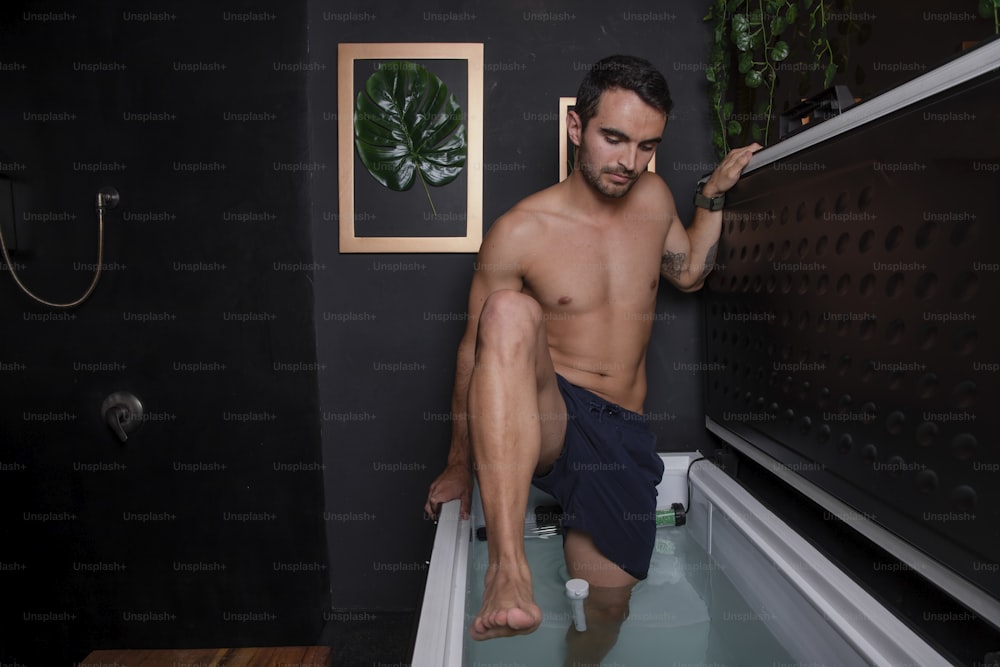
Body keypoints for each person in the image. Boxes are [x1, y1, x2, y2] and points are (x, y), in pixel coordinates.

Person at [423, 54, 759, 661]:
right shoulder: (520, 230)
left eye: (646, 145)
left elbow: (687, 276)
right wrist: (456, 462)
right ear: (577, 128)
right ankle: (507, 568)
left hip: (620, 431)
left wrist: (710, 198)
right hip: (550, 411)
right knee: (505, 312)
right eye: (614, 138)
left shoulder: (653, 197)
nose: (629, 161)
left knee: (606, 608)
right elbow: (476, 352)